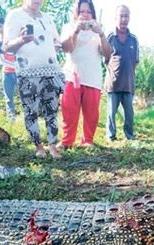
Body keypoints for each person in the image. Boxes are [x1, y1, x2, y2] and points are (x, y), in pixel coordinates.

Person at [3, 0, 65, 159]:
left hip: (51, 71)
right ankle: (39, 147)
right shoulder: (15, 15)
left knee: (51, 111)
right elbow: (6, 46)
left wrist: (49, 51)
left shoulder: (47, 17)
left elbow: (57, 41)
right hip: (28, 73)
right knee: (31, 112)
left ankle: (52, 146)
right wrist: (22, 40)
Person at [59, 0, 112, 149]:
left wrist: (101, 34)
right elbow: (67, 48)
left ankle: (87, 141)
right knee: (69, 111)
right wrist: (75, 31)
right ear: (76, 14)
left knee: (91, 113)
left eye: (88, 12)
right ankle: (67, 141)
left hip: (92, 77)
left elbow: (107, 53)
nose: (85, 15)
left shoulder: (98, 31)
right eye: (82, 12)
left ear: (93, 14)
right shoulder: (68, 27)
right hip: (72, 76)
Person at [104, 5, 139, 142]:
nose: (124, 19)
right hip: (113, 84)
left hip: (128, 84)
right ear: (115, 18)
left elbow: (135, 61)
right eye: (121, 16)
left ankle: (129, 136)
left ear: (129, 18)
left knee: (129, 113)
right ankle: (110, 137)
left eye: (126, 16)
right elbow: (105, 60)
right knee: (111, 113)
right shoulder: (110, 37)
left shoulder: (134, 39)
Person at [0, 17, 18, 122]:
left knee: (25, 96)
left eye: (0, 26)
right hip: (7, 73)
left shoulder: (14, 38)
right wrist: (13, 65)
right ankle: (12, 121)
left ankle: (29, 119)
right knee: (8, 99)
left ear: (5, 25)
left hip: (19, 72)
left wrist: (17, 66)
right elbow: (1, 59)